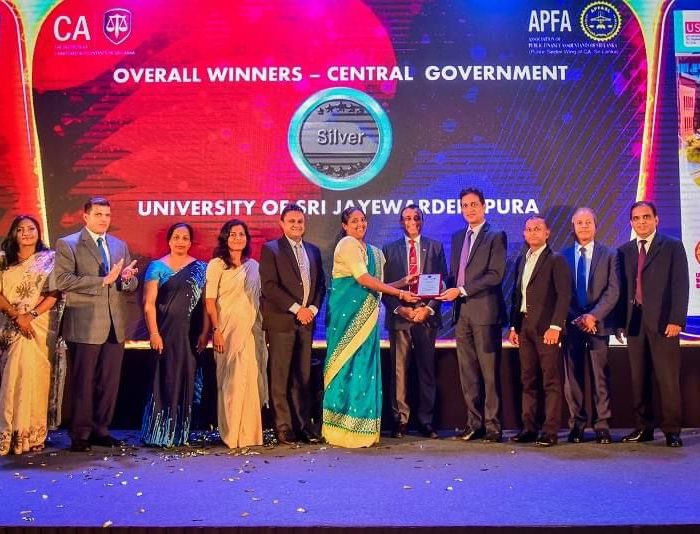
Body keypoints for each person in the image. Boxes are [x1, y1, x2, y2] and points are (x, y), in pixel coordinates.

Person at [322, 207, 419, 448]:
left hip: (367, 321)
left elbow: (376, 284)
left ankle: (363, 429)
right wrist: (400, 293)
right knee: (346, 368)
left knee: (364, 367)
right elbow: (363, 279)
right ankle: (341, 430)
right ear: (344, 226)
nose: (360, 224)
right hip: (347, 320)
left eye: (363, 220)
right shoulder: (347, 244)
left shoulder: (374, 251)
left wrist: (401, 282)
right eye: (354, 221)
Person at [54, 198, 139, 452]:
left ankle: (101, 430)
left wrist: (126, 279)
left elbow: (129, 285)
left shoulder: (119, 245)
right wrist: (101, 281)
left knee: (109, 382)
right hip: (84, 323)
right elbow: (62, 280)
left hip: (115, 325)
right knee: (83, 382)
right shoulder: (69, 244)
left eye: (107, 215)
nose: (104, 219)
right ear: (86, 217)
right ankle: (80, 433)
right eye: (98, 214)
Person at [617, 201, 689, 448]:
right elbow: (623, 290)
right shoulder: (624, 251)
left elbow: (681, 285)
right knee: (639, 379)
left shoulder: (672, 246)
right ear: (631, 222)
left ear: (656, 219)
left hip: (664, 323)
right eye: (636, 218)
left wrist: (676, 319)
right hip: (634, 323)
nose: (641, 222)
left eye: (646, 217)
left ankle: (672, 431)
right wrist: (620, 322)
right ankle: (643, 428)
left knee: (667, 380)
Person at [437, 188, 506, 443]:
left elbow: (495, 275)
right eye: (465, 205)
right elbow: (456, 275)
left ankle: (493, 426)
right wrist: (442, 286)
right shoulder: (458, 237)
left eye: (474, 204)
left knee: (489, 374)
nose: (469, 209)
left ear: (484, 206)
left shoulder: (496, 235)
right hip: (461, 313)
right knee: (468, 374)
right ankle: (473, 424)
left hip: (485, 314)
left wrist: (462, 290)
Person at [260, 204, 326, 445]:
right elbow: (269, 286)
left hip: (306, 324)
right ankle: (283, 427)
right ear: (282, 224)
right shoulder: (271, 249)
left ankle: (302, 425)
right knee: (280, 377)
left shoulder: (313, 251)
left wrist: (312, 310)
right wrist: (298, 309)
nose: (297, 225)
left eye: (300, 221)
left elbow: (320, 286)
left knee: (302, 377)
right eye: (292, 221)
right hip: (282, 322)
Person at [140, 223, 209, 447]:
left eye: (185, 238)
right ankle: (158, 433)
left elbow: (206, 305)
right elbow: (149, 304)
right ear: (169, 240)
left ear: (190, 242)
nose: (180, 241)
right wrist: (154, 333)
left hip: (190, 335)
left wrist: (205, 333)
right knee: (164, 380)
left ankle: (179, 434)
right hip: (164, 334)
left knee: (185, 379)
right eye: (176, 237)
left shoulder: (201, 268)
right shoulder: (157, 267)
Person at [382, 204, 447, 439]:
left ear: (422, 220)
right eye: (407, 218)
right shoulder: (389, 250)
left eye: (416, 217)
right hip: (400, 318)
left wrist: (427, 310)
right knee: (399, 372)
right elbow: (383, 288)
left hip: (425, 317)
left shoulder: (435, 247)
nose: (412, 221)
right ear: (401, 222)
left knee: (426, 371)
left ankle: (426, 421)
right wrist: (400, 309)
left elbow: (443, 284)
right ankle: (401, 421)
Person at [0, 215, 61, 455]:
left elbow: (55, 293)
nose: (26, 233)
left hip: (38, 325)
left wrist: (30, 315)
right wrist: (17, 316)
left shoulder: (49, 260)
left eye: (31, 228)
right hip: (9, 323)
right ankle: (8, 433)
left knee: (33, 375)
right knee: (11, 376)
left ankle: (30, 435)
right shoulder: (3, 260)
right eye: (20, 229)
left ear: (38, 232)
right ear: (14, 234)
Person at [508, 216, 570, 447]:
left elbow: (564, 295)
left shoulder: (556, 259)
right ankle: (529, 428)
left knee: (550, 381)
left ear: (547, 233)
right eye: (529, 229)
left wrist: (556, 326)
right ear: (524, 234)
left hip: (547, 330)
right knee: (528, 380)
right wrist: (514, 326)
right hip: (525, 328)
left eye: (538, 229)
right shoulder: (522, 260)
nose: (533, 233)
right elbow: (518, 296)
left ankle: (550, 431)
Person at [205, 219, 266, 448]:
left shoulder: (254, 266)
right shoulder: (217, 265)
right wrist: (216, 331)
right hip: (226, 331)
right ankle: (231, 434)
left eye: (242, 234)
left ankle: (249, 435)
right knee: (231, 382)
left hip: (250, 331)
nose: (238, 238)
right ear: (225, 238)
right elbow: (210, 302)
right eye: (233, 234)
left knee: (249, 379)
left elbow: (259, 301)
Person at [562, 208, 620, 445]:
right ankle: (577, 425)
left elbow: (613, 291)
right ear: (573, 227)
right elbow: (561, 292)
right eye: (579, 223)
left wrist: (593, 316)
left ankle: (602, 425)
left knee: (600, 377)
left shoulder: (610, 254)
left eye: (588, 222)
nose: (584, 226)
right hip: (572, 324)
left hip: (599, 324)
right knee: (572, 378)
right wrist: (576, 317)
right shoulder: (562, 256)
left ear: (596, 226)